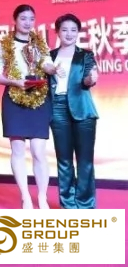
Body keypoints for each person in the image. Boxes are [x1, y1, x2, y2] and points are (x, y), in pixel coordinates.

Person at [0, 5, 57, 209]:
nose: (28, 23)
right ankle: (25, 196)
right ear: (15, 20)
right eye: (23, 18)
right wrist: (15, 82)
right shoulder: (4, 44)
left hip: (38, 98)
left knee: (38, 151)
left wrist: (52, 68)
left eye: (31, 18)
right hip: (14, 99)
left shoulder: (40, 43)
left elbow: (46, 63)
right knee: (18, 149)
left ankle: (42, 196)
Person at [48, 13, 99, 209]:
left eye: (73, 30)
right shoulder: (49, 56)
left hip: (83, 110)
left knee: (85, 161)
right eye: (64, 30)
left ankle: (85, 204)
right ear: (57, 32)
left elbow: (87, 80)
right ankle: (68, 204)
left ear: (78, 32)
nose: (69, 34)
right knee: (64, 160)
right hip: (57, 109)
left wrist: (90, 79)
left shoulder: (86, 55)